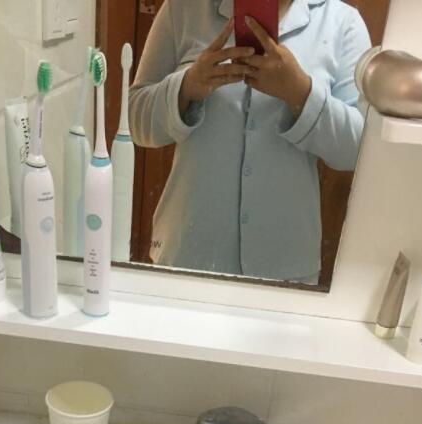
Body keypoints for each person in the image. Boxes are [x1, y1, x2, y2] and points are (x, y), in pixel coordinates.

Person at [129, 0, 371, 283]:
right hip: (186, 254)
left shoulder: (342, 24)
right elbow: (136, 121)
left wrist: (301, 93)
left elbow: (360, 151)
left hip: (286, 265)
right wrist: (186, 87)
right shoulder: (183, 9)